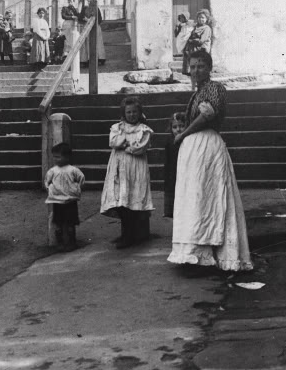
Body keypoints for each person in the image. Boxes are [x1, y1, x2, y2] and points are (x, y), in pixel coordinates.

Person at [168, 50, 253, 272]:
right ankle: (195, 253)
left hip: (207, 147)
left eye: (201, 66)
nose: (196, 70)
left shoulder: (214, 88)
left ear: (209, 68)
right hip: (195, 151)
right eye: (193, 66)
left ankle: (215, 253)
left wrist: (184, 133)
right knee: (195, 198)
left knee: (209, 196)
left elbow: (207, 115)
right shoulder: (197, 92)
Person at [100, 97, 155, 248]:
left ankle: (131, 235)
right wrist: (125, 142)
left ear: (139, 113)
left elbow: (140, 148)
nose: (131, 115)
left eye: (134, 112)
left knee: (132, 199)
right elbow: (113, 142)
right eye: (128, 112)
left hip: (135, 168)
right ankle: (125, 233)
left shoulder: (144, 129)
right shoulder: (117, 127)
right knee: (121, 201)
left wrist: (125, 146)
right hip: (119, 168)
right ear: (123, 113)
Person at [44, 143, 85, 252]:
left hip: (70, 200)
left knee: (70, 222)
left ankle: (72, 242)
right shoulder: (52, 171)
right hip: (57, 201)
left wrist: (75, 188)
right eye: (54, 157)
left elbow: (81, 179)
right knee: (58, 222)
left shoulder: (73, 170)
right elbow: (47, 181)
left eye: (58, 157)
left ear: (67, 157)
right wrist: (51, 189)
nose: (56, 159)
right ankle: (60, 243)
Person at [163, 113, 186, 219]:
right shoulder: (169, 142)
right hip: (173, 173)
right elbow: (167, 161)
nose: (178, 129)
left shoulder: (189, 141)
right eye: (175, 127)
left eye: (181, 126)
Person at [182, 10, 213, 79]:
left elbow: (201, 41)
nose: (200, 19)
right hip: (193, 47)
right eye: (199, 17)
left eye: (203, 18)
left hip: (201, 48)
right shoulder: (195, 27)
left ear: (206, 19)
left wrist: (191, 40)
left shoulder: (206, 28)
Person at [79, 0, 106, 66]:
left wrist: (90, 20)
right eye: (88, 1)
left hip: (95, 27)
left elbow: (99, 19)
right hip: (88, 27)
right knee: (88, 43)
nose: (88, 3)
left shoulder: (96, 9)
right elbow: (81, 17)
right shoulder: (85, 9)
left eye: (90, 1)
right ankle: (88, 58)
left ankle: (100, 58)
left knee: (97, 42)